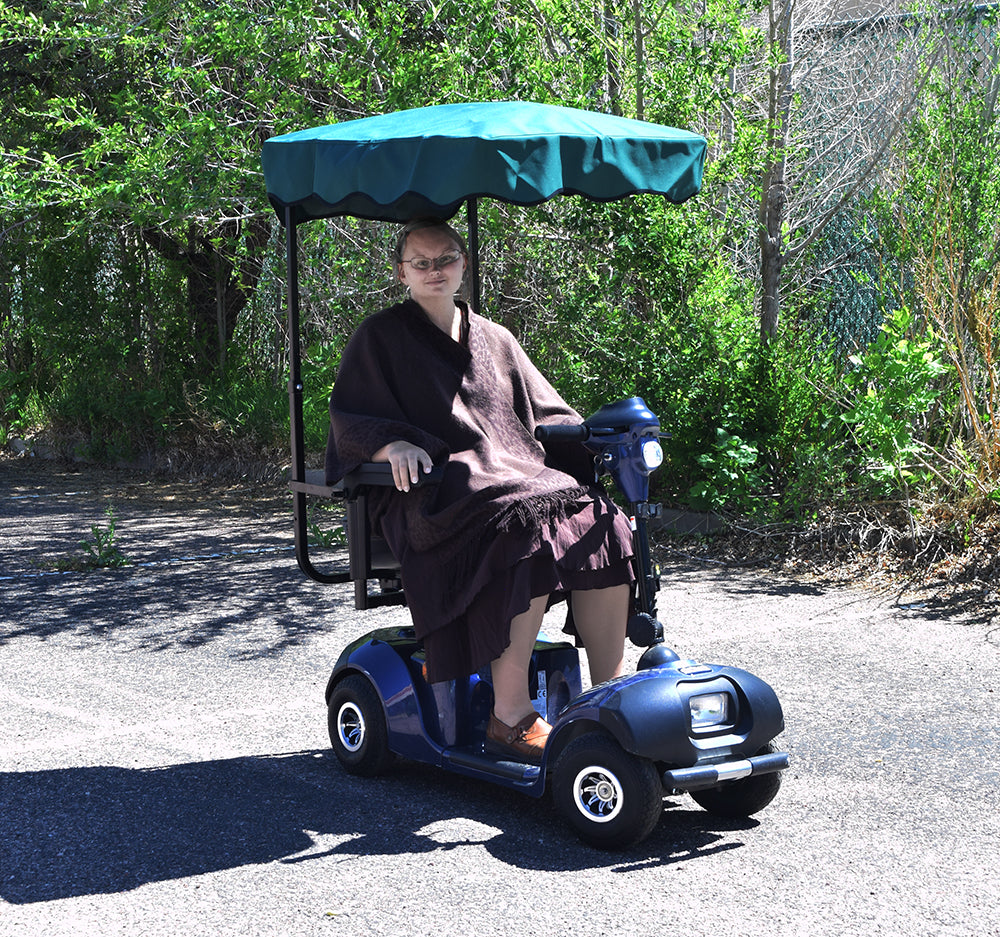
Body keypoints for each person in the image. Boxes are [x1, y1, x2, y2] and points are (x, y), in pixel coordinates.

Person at [325, 218, 633, 762]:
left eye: (445, 259)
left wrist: (600, 440)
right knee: (524, 536)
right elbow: (350, 420)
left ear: (464, 265)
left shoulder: (497, 338)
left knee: (604, 525)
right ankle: (509, 717)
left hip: (515, 481)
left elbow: (549, 415)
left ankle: (611, 702)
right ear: (401, 273)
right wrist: (389, 446)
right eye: (420, 262)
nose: (434, 270)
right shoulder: (380, 338)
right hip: (434, 496)